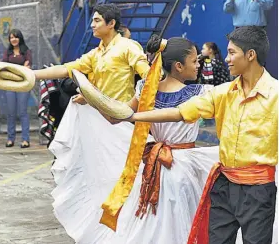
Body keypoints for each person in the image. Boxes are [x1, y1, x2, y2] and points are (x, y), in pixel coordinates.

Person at [49, 35, 223, 243]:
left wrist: (93, 101)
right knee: (187, 218)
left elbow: (115, 117)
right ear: (178, 66)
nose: (198, 65)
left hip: (152, 166)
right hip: (184, 168)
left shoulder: (145, 90)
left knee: (152, 220)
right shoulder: (201, 93)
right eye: (194, 61)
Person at [112, 26, 277, 244]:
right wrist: (135, 117)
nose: (226, 59)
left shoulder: (275, 95)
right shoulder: (222, 92)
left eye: (232, 53)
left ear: (251, 55)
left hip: (258, 189)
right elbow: (181, 113)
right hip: (224, 184)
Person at [34, 4, 150, 105]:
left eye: (97, 20)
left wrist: (133, 105)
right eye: (93, 20)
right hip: (100, 116)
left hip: (122, 119)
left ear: (111, 23)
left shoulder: (128, 46)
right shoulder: (95, 54)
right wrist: (32, 74)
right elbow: (66, 69)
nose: (92, 25)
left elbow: (149, 77)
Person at [2, 29, 32, 148]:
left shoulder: (26, 51)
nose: (13, 39)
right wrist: (20, 68)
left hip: (23, 85)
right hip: (9, 85)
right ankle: (10, 139)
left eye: (15, 37)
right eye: (11, 38)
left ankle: (25, 140)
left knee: (23, 112)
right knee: (11, 113)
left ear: (20, 38)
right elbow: (3, 67)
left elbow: (27, 68)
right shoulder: (7, 53)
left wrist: (12, 68)